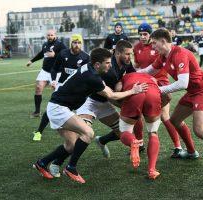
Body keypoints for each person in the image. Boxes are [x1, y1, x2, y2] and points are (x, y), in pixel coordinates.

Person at [33, 48, 147, 184]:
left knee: (71, 145)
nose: (110, 66)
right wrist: (134, 90)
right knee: (88, 133)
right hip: (59, 109)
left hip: (60, 107)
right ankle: (71, 168)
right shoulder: (92, 76)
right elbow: (112, 95)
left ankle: (42, 163)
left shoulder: (90, 68)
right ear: (97, 65)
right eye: (107, 63)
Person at [138, 28, 203, 172]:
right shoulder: (163, 56)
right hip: (192, 92)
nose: (153, 47)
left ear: (163, 41)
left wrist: (159, 90)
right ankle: (192, 152)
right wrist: (130, 74)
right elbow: (149, 70)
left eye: (154, 43)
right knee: (174, 120)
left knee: (200, 130)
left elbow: (182, 83)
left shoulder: (180, 54)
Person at [75, 40, 137, 160]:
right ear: (118, 53)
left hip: (104, 102)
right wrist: (129, 100)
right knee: (82, 134)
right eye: (128, 54)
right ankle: (61, 163)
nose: (130, 57)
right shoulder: (109, 69)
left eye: (131, 53)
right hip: (89, 101)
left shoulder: (126, 63)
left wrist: (121, 82)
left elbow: (133, 76)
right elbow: (112, 96)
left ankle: (101, 141)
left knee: (123, 132)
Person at [134, 23, 183, 158]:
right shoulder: (136, 48)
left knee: (164, 116)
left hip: (160, 83)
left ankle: (178, 146)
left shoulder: (157, 47)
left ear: (151, 35)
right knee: (137, 115)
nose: (142, 37)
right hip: (143, 85)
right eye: (140, 34)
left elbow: (157, 67)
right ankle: (140, 144)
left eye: (145, 34)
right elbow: (138, 66)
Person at [32, 34, 89, 141]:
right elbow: (54, 69)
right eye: (74, 42)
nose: (77, 45)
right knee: (51, 108)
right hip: (62, 85)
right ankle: (39, 131)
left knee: (77, 111)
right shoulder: (63, 54)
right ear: (71, 43)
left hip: (76, 89)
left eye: (79, 43)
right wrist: (53, 81)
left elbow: (88, 75)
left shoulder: (86, 57)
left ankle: (78, 131)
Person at [118, 73, 162, 180]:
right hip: (152, 93)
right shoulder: (151, 77)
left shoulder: (124, 76)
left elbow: (118, 90)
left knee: (124, 131)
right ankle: (152, 170)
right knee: (153, 132)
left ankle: (133, 141)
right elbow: (167, 96)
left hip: (134, 92)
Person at [26, 29, 66, 118]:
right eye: (48, 35)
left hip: (56, 72)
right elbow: (41, 54)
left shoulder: (60, 44)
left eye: (51, 35)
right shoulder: (45, 44)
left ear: (55, 35)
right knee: (38, 88)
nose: (50, 37)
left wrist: (56, 54)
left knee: (57, 92)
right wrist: (31, 61)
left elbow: (66, 53)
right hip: (45, 71)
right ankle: (37, 112)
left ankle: (61, 111)